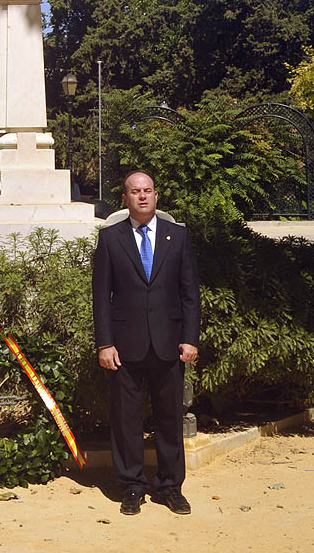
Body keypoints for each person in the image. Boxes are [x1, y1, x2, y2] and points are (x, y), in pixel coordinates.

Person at [92, 171, 200, 516]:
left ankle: (170, 486)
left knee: (170, 418)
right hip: (125, 346)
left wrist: (189, 338)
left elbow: (189, 294)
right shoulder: (110, 239)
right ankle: (133, 486)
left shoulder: (178, 236)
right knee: (126, 419)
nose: (142, 196)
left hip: (169, 344)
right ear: (125, 198)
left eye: (147, 190)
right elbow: (101, 298)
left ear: (156, 195)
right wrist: (105, 343)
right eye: (135, 192)